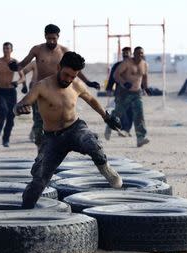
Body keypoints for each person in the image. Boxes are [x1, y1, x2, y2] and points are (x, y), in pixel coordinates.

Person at [13, 51, 123, 209]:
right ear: (59, 67)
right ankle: (25, 210)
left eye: (73, 76)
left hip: (75, 129)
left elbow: (91, 99)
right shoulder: (42, 86)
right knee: (39, 180)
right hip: (52, 139)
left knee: (92, 144)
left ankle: (106, 169)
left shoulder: (77, 84)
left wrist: (107, 117)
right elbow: (21, 104)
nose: (69, 79)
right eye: (66, 75)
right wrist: (19, 109)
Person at [9, 24, 100, 148]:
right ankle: (41, 152)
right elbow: (23, 64)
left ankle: (58, 148)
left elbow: (75, 68)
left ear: (58, 37)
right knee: (39, 124)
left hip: (60, 91)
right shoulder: (37, 49)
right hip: (40, 91)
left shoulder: (64, 51)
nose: (51, 41)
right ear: (45, 36)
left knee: (62, 121)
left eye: (54, 38)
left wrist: (88, 82)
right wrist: (15, 67)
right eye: (48, 38)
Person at [0, 42, 25, 147]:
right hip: (0, 91)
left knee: (11, 116)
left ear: (11, 50)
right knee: (3, 110)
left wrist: (17, 82)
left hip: (11, 91)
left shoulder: (15, 62)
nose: (6, 50)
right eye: (4, 48)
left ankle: (6, 139)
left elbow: (23, 77)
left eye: (8, 48)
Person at [113, 46, 150, 147]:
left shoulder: (145, 64)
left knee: (139, 114)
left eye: (142, 53)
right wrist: (124, 83)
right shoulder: (126, 63)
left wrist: (146, 88)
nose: (140, 55)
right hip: (124, 92)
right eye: (138, 53)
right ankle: (112, 122)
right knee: (120, 111)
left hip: (137, 93)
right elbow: (115, 75)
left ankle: (140, 138)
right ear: (134, 53)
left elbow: (145, 77)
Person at [105, 47, 134, 139]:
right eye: (124, 53)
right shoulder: (117, 65)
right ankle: (123, 129)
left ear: (131, 54)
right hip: (119, 92)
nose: (125, 55)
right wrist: (109, 88)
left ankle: (127, 130)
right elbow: (112, 78)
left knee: (131, 112)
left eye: (127, 53)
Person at [21, 61, 39, 142]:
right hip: (34, 90)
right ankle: (35, 132)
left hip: (47, 91)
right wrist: (24, 85)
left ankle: (34, 132)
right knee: (37, 113)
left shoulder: (52, 62)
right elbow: (23, 72)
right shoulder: (34, 63)